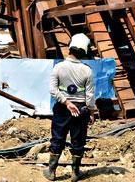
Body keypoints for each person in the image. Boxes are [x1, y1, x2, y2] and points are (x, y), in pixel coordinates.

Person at [46, 33, 95, 181]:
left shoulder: (58, 67)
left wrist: (66, 102)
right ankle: (75, 173)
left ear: (70, 48)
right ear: (84, 50)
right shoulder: (87, 70)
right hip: (81, 110)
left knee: (57, 138)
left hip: (62, 108)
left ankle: (51, 172)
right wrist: (91, 112)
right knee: (78, 140)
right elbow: (90, 96)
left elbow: (53, 90)